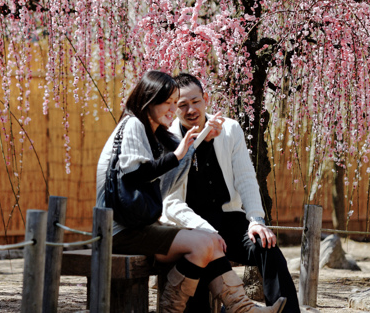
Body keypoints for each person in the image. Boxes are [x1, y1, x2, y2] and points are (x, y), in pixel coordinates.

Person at [97, 71, 286, 313]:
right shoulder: (134, 124)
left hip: (139, 227)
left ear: (205, 99)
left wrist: (201, 142)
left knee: (210, 243)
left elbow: (167, 184)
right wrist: (178, 155)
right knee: (205, 243)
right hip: (121, 230)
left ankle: (243, 309)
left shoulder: (154, 134)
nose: (173, 109)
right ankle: (213, 309)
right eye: (170, 103)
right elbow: (137, 174)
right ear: (149, 100)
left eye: (174, 103)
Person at [163, 73, 297, 313]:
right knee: (200, 267)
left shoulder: (229, 129)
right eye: (182, 105)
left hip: (229, 219)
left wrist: (256, 220)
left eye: (195, 101)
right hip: (191, 226)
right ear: (174, 108)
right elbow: (169, 200)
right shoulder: (169, 139)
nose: (190, 109)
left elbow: (246, 177)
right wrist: (207, 233)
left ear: (205, 99)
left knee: (266, 246)